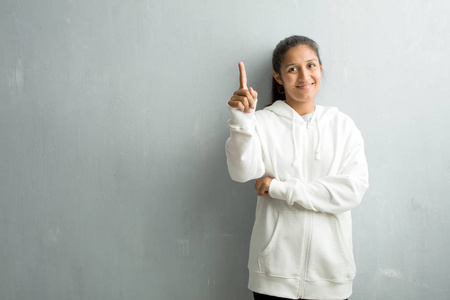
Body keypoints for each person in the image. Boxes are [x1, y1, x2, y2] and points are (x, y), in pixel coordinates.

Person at [225, 35, 369, 300]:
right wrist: (242, 122)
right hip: (272, 277)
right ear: (278, 77)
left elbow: (351, 192)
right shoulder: (262, 122)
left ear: (321, 68)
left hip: (331, 278)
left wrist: (278, 188)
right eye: (292, 69)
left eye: (311, 65)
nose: (304, 75)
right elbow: (241, 172)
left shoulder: (342, 126)